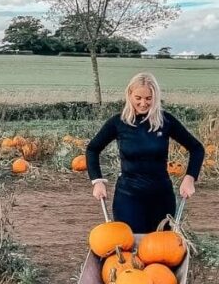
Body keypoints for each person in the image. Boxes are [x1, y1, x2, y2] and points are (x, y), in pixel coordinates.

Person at [86, 72, 205, 233]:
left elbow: (197, 148)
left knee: (161, 247)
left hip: (161, 194)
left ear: (155, 97)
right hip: (128, 195)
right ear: (129, 95)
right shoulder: (118, 123)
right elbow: (92, 149)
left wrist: (190, 178)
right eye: (138, 98)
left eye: (148, 98)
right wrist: (97, 181)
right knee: (130, 244)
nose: (143, 103)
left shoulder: (165, 121)